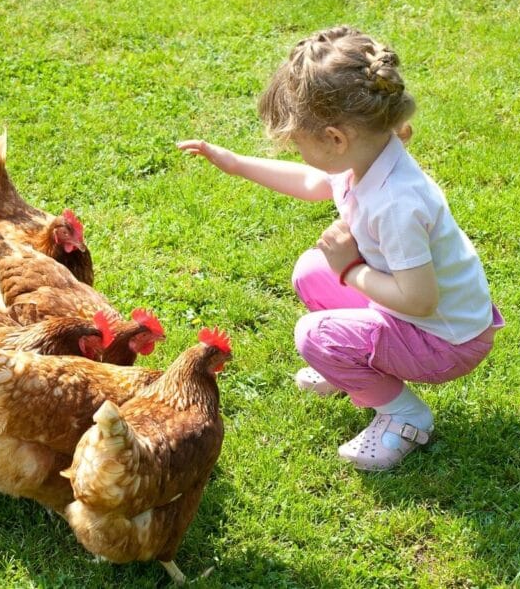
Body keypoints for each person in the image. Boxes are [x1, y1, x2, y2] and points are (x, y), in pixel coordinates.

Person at [177, 26, 503, 470]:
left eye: (297, 141)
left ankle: (404, 416)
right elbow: (314, 182)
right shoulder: (368, 159)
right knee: (311, 271)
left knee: (314, 335)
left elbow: (421, 301)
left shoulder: (396, 203)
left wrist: (349, 269)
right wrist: (235, 164)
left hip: (445, 341)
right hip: (423, 318)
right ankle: (356, 368)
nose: (295, 149)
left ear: (335, 139)